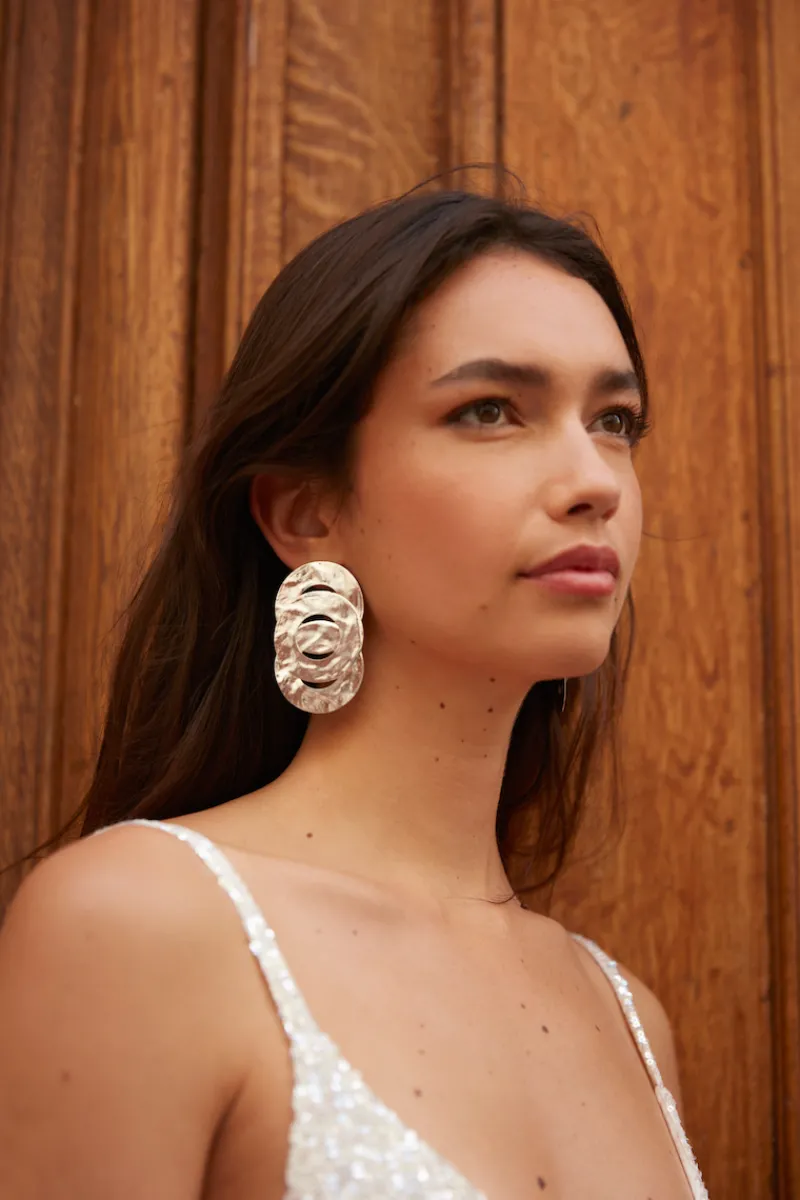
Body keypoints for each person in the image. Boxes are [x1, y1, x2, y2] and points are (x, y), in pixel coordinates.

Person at [0, 186, 708, 1198]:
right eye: (490, 411)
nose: (593, 479)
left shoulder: (630, 1021)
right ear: (304, 513)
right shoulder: (137, 925)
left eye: (614, 420)